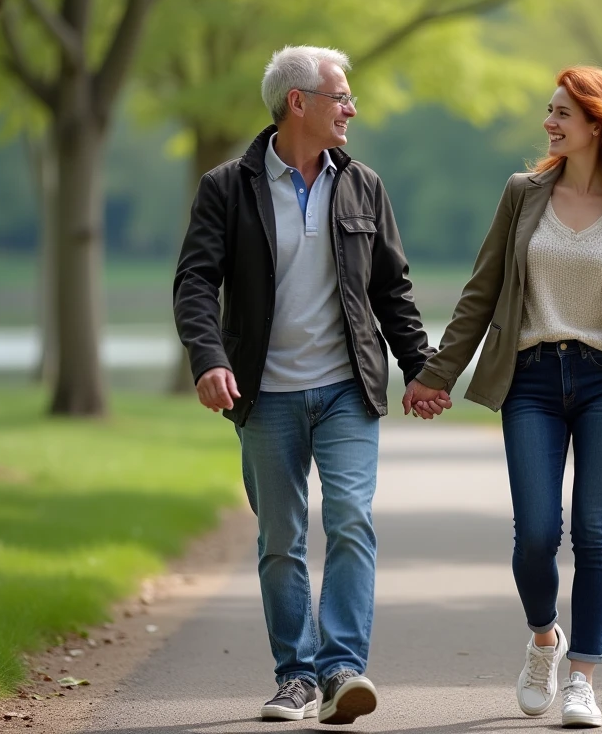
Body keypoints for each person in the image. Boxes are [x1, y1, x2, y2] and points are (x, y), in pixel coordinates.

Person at [174, 45, 449, 726]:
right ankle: (294, 676)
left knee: (352, 520)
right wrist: (209, 358)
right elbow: (195, 282)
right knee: (280, 537)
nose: (351, 109)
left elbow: (392, 290)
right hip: (263, 396)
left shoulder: (363, 184)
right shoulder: (226, 187)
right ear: (299, 102)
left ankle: (342, 670)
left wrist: (421, 369)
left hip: (346, 390)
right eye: (342, 97)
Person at [403, 66, 602, 728]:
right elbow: (482, 290)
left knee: (595, 530)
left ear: (597, 123)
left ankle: (583, 677)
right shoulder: (522, 193)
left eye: (562, 113)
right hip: (529, 376)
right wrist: (436, 373)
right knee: (535, 533)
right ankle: (543, 642)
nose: (549, 122)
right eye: (549, 110)